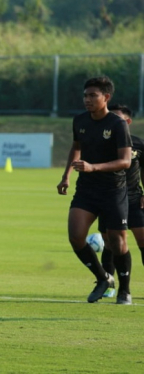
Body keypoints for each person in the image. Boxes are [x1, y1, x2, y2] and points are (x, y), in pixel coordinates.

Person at [57, 76, 133, 305]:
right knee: (76, 236)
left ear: (106, 97)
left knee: (118, 243)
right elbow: (76, 147)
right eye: (85, 95)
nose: (87, 100)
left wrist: (93, 167)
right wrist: (66, 176)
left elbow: (125, 161)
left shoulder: (117, 124)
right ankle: (102, 278)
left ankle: (124, 291)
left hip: (113, 189)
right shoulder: (79, 120)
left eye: (93, 95)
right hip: (87, 189)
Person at [97, 104, 143, 302]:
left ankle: (125, 290)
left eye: (118, 118)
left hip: (134, 200)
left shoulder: (138, 144)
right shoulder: (101, 143)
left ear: (128, 122)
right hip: (110, 199)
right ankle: (109, 284)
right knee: (110, 244)